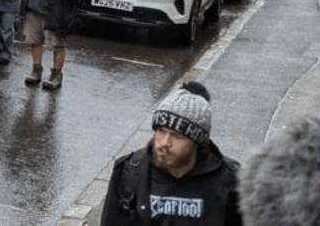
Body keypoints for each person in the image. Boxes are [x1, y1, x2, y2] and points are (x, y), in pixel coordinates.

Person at [102, 81, 242, 225]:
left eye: (177, 136)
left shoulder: (231, 181)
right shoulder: (129, 171)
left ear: (197, 142)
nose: (164, 143)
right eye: (161, 131)